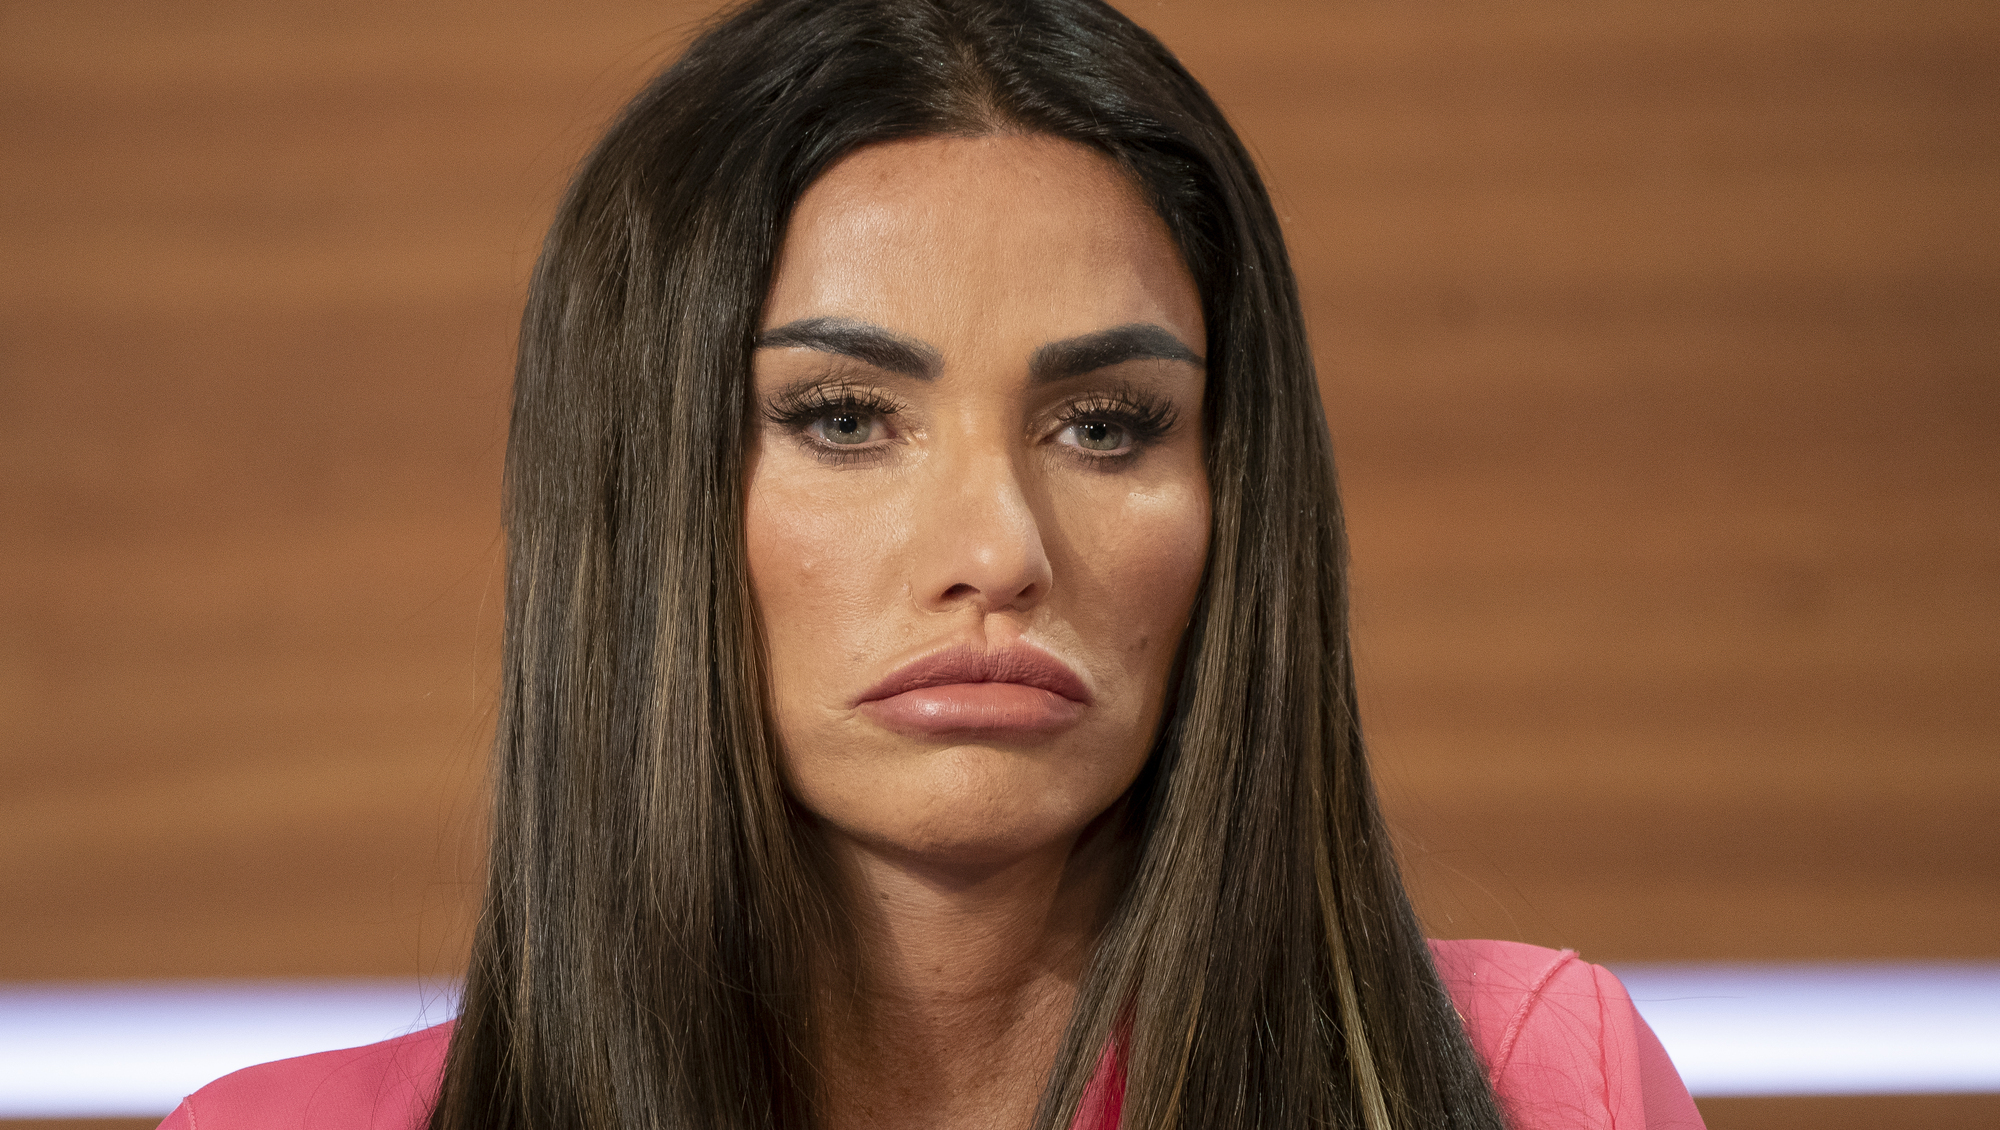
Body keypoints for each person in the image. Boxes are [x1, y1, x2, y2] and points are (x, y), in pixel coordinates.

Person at [158, 0, 1705, 1127]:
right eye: (843, 418)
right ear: (646, 497)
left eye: (1105, 425)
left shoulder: (1538, 1082)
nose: (997, 550)